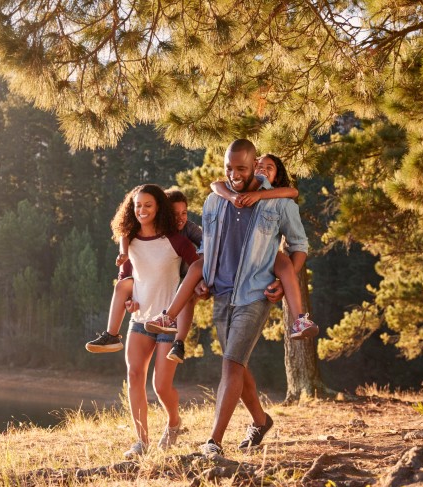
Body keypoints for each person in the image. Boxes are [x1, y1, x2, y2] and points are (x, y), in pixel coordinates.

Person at [197, 139, 309, 456]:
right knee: (238, 364)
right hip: (221, 294)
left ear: (253, 165)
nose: (234, 174)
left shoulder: (279, 203)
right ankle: (260, 421)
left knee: (231, 365)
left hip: (255, 293)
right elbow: (206, 249)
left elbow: (299, 246)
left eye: (242, 168)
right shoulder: (213, 202)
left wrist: (282, 281)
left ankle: (213, 442)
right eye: (228, 168)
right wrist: (202, 283)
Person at [144, 154, 318, 341]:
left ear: (277, 175)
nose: (263, 170)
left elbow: (292, 192)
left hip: (263, 251)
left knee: (285, 265)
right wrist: (233, 196)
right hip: (230, 252)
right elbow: (215, 185)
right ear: (251, 168)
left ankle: (300, 320)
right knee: (196, 267)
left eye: (270, 168)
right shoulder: (236, 189)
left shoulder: (278, 199)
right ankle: (168, 317)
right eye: (259, 166)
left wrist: (258, 195)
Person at [107, 184, 199, 458]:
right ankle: (141, 442)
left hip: (167, 322)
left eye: (148, 205)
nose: (142, 210)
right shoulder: (131, 241)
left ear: (158, 207)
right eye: (138, 206)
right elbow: (126, 278)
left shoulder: (177, 241)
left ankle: (174, 423)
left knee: (161, 386)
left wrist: (201, 291)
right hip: (139, 320)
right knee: (134, 376)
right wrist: (128, 300)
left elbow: (198, 270)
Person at [85, 189, 202, 358]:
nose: (179, 218)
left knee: (187, 295)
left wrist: (202, 279)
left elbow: (205, 247)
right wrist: (130, 299)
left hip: (181, 284)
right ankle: (111, 335)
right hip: (143, 315)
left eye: (183, 213)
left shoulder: (185, 233)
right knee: (123, 284)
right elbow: (125, 264)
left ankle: (179, 342)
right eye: (138, 206)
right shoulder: (134, 237)